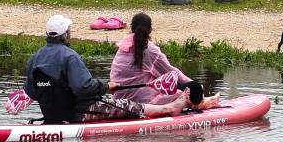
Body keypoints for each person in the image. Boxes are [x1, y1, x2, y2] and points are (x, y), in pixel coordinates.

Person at [22, 15, 176, 123]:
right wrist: (106, 86)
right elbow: (83, 88)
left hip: (53, 115)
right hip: (79, 113)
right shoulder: (70, 56)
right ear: (66, 34)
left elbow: (32, 91)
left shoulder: (34, 58)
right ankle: (169, 108)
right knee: (129, 106)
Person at [109, 12, 220, 111]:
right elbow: (173, 74)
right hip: (146, 104)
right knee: (195, 88)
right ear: (150, 30)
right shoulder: (150, 50)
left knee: (185, 88)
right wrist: (198, 89)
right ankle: (201, 103)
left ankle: (196, 101)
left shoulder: (123, 46)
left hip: (120, 101)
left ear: (131, 28)